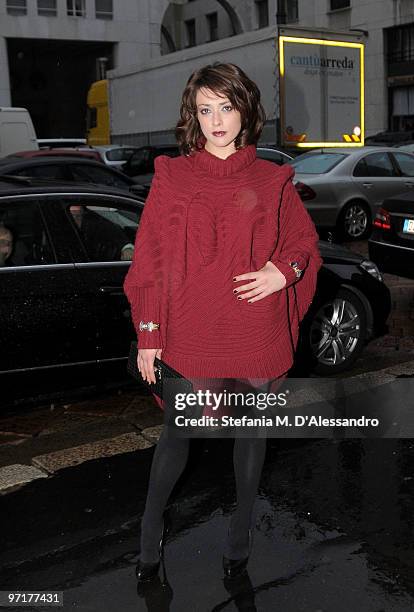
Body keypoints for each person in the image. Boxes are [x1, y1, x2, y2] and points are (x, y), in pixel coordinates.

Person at [123, 62, 323, 582]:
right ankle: (149, 531)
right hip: (190, 332)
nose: (215, 120)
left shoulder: (273, 179)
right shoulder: (173, 177)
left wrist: (285, 273)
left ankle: (240, 532)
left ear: (245, 109)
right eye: (204, 109)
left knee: (251, 437)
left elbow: (303, 246)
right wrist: (149, 334)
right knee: (177, 435)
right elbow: (149, 261)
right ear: (193, 115)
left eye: (226, 107)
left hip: (254, 333)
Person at [69, 204, 134, 261]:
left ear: (83, 211)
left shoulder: (94, 222)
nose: (74, 215)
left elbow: (115, 234)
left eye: (77, 215)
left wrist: (127, 248)